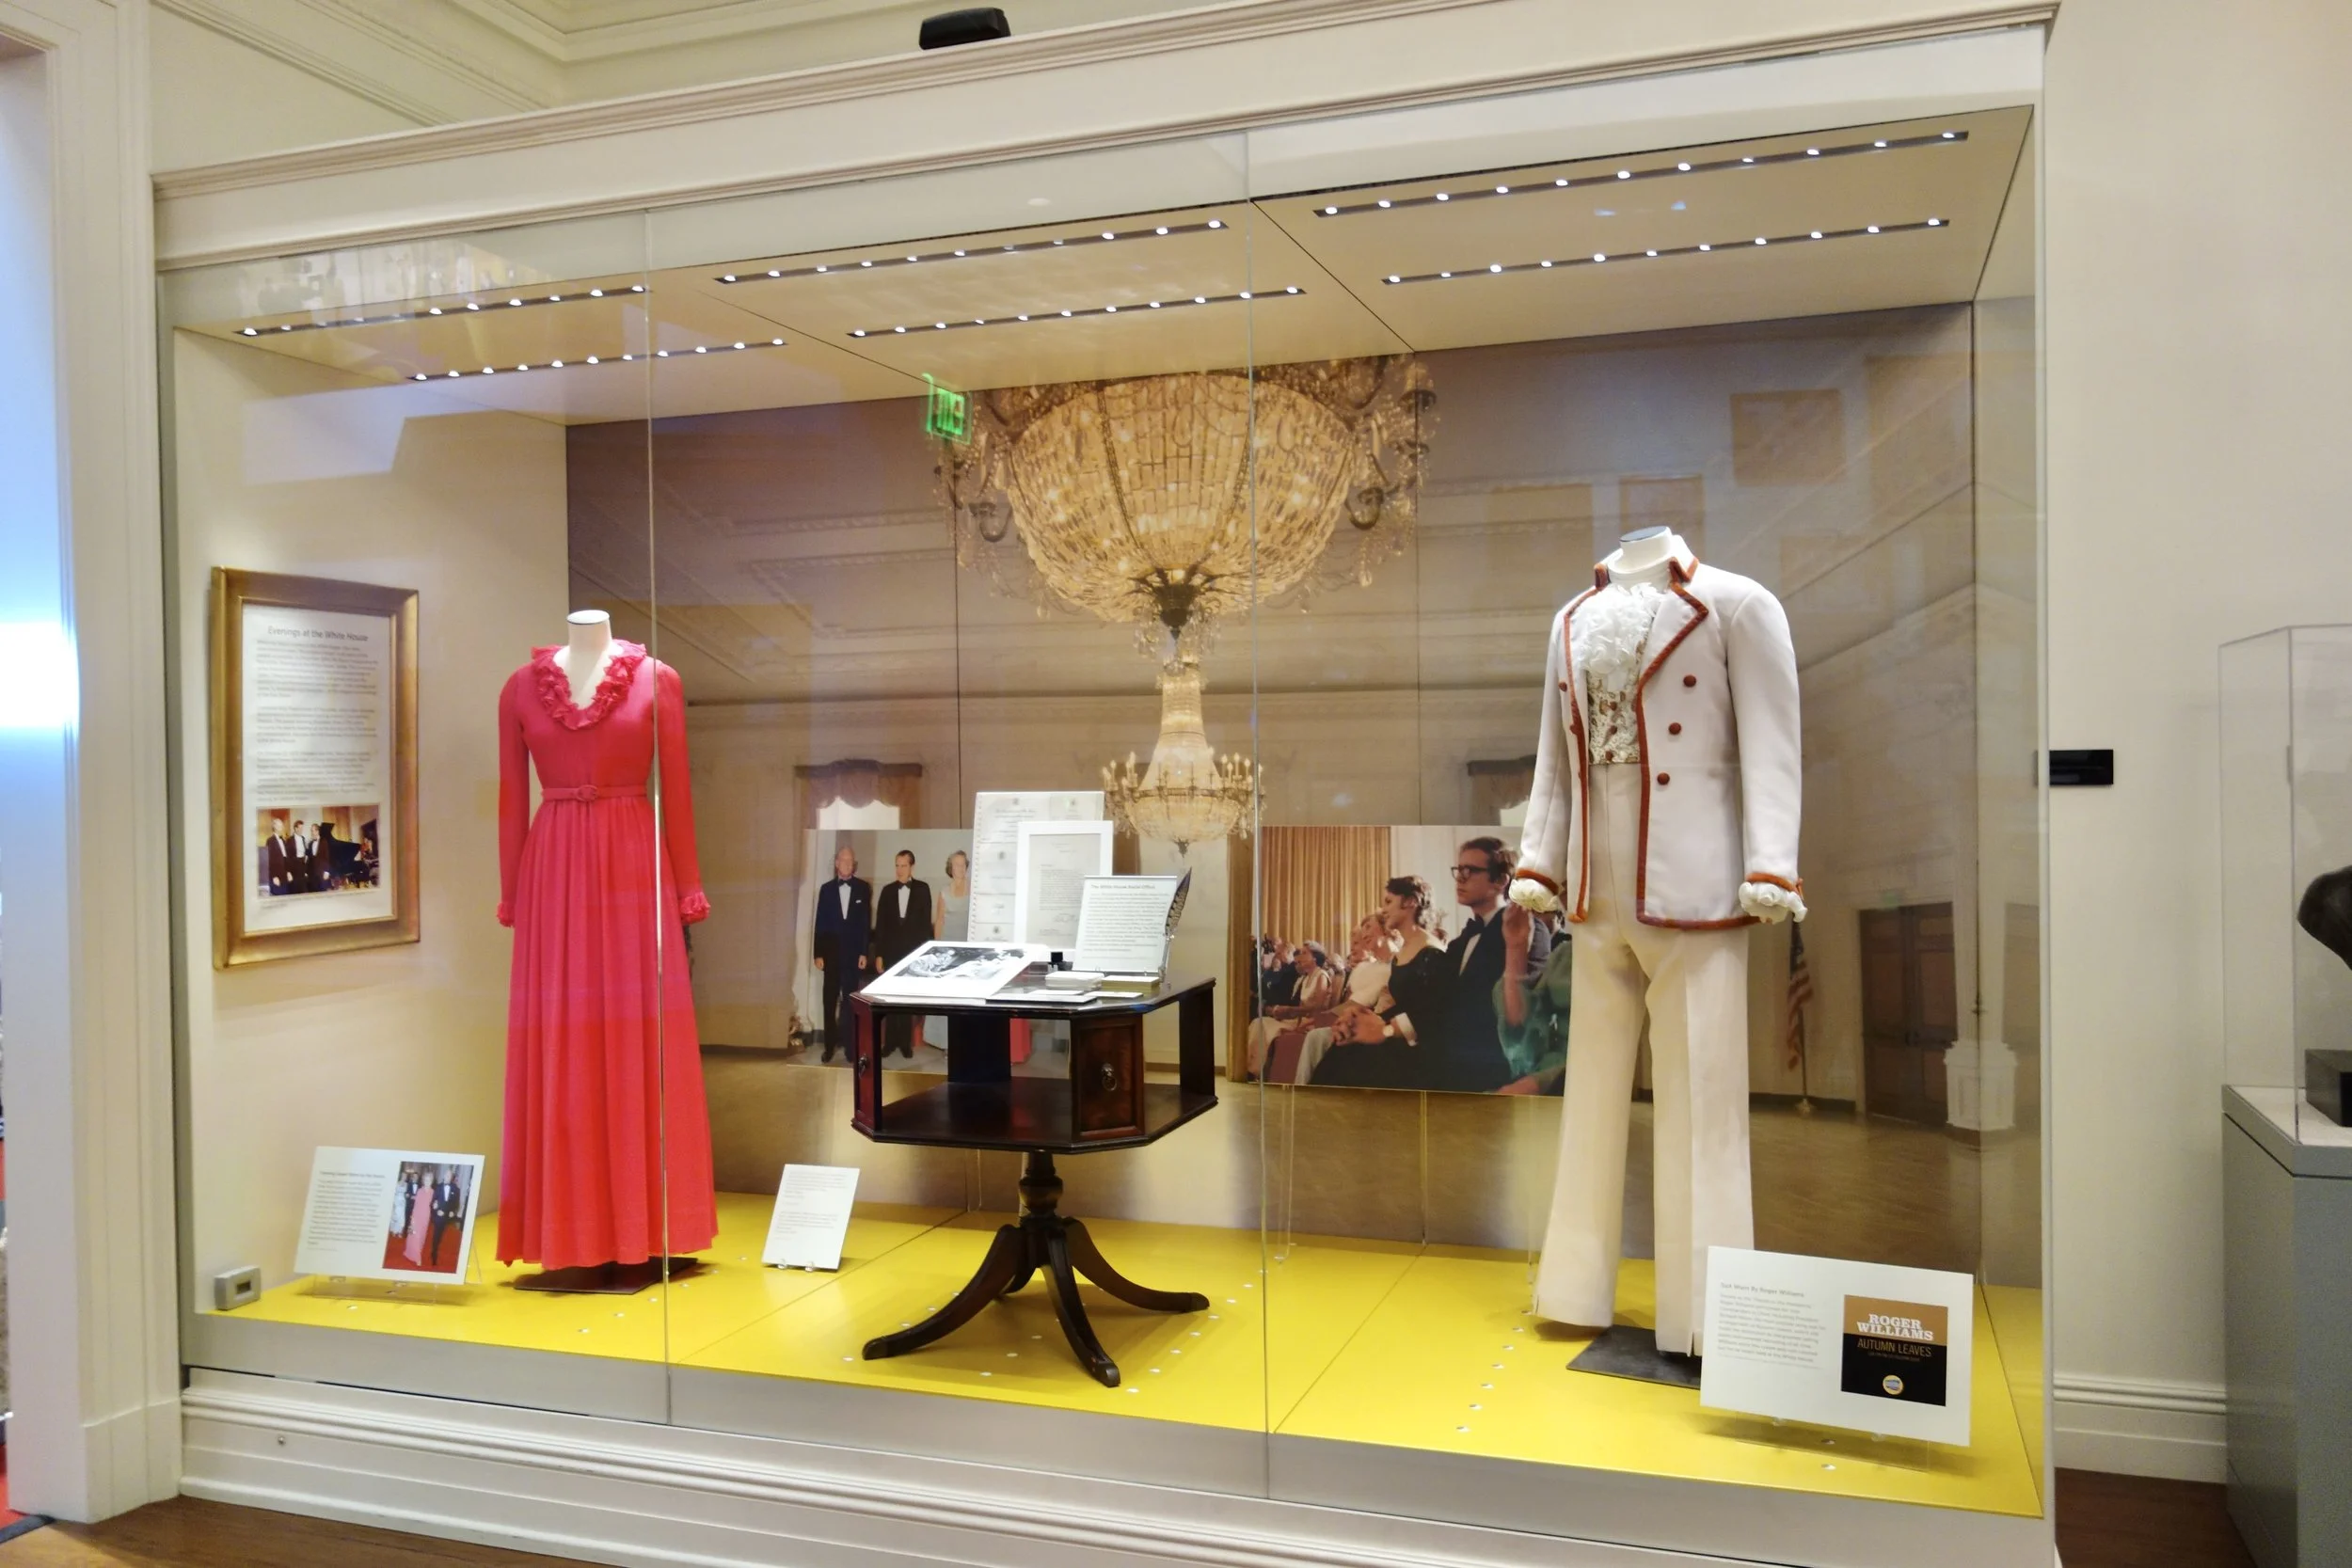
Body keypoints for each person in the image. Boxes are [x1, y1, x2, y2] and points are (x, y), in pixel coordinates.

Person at [1432, 836, 1548, 1092]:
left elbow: (1524, 1013)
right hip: (1452, 1065)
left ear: (1500, 881)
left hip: (1497, 1069)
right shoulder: (1461, 941)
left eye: (1470, 871)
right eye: (1458, 870)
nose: (1460, 879)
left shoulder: (1529, 930)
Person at [811, 845, 872, 1064]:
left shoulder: (863, 888)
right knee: (829, 1001)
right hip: (830, 955)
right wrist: (818, 953)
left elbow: (865, 923)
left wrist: (864, 952)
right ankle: (829, 1047)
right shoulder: (826, 889)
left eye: (850, 861)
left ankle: (849, 1047)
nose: (847, 864)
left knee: (850, 1003)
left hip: (853, 956)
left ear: (853, 864)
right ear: (837, 863)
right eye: (844, 860)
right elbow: (820, 922)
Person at [871, 849, 932, 1058]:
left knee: (906, 998)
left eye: (903, 865)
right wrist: (879, 954)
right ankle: (890, 1043)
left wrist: (924, 955)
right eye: (897, 865)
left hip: (913, 954)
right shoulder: (887, 891)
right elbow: (880, 925)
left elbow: (925, 926)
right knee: (889, 998)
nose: (899, 870)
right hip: (890, 953)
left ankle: (905, 1043)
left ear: (912, 867)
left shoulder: (923, 889)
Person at [264, 817, 293, 895]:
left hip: (284, 876)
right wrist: (274, 876)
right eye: (280, 825)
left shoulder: (283, 840)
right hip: (276, 877)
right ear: (274, 826)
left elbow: (285, 858)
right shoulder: (270, 841)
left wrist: (288, 872)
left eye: (282, 826)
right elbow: (269, 860)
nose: (282, 827)